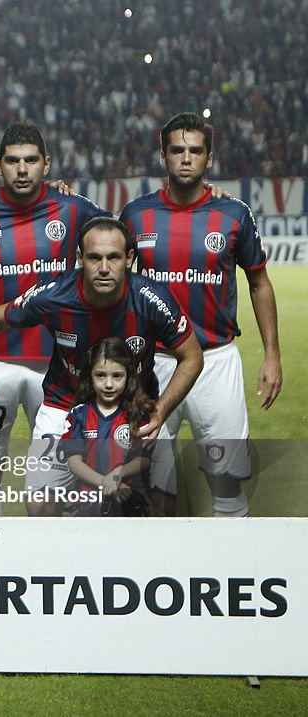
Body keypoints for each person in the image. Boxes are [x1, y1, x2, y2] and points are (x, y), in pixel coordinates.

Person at [0, 217, 204, 517]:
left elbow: (192, 357)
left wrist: (160, 411)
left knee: (163, 504)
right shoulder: (55, 294)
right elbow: (1, 318)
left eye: (113, 257)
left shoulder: (152, 300)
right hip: (65, 405)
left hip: (136, 409)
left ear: (129, 259)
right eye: (94, 258)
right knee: (40, 506)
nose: (104, 268)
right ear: (80, 258)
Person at [119, 112, 282, 518]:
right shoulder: (136, 215)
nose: (186, 158)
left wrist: (272, 355)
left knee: (226, 482)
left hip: (215, 360)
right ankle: (166, 568)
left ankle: (229, 568)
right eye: (178, 150)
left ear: (208, 158)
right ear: (163, 156)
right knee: (154, 482)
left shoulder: (234, 215)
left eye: (195, 151)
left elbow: (259, 283)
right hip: (154, 362)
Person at [0, 122, 111, 494]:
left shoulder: (74, 209)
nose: (22, 169)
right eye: (13, 161)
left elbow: (116, 251)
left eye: (31, 161)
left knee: (59, 479)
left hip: (59, 364)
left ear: (47, 164)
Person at [62, 337, 154, 517]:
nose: (109, 384)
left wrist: (119, 474)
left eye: (117, 376)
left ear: (129, 376)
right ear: (90, 376)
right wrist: (107, 483)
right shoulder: (78, 415)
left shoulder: (139, 413)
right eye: (101, 375)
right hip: (89, 504)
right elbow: (74, 463)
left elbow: (144, 459)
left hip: (131, 501)